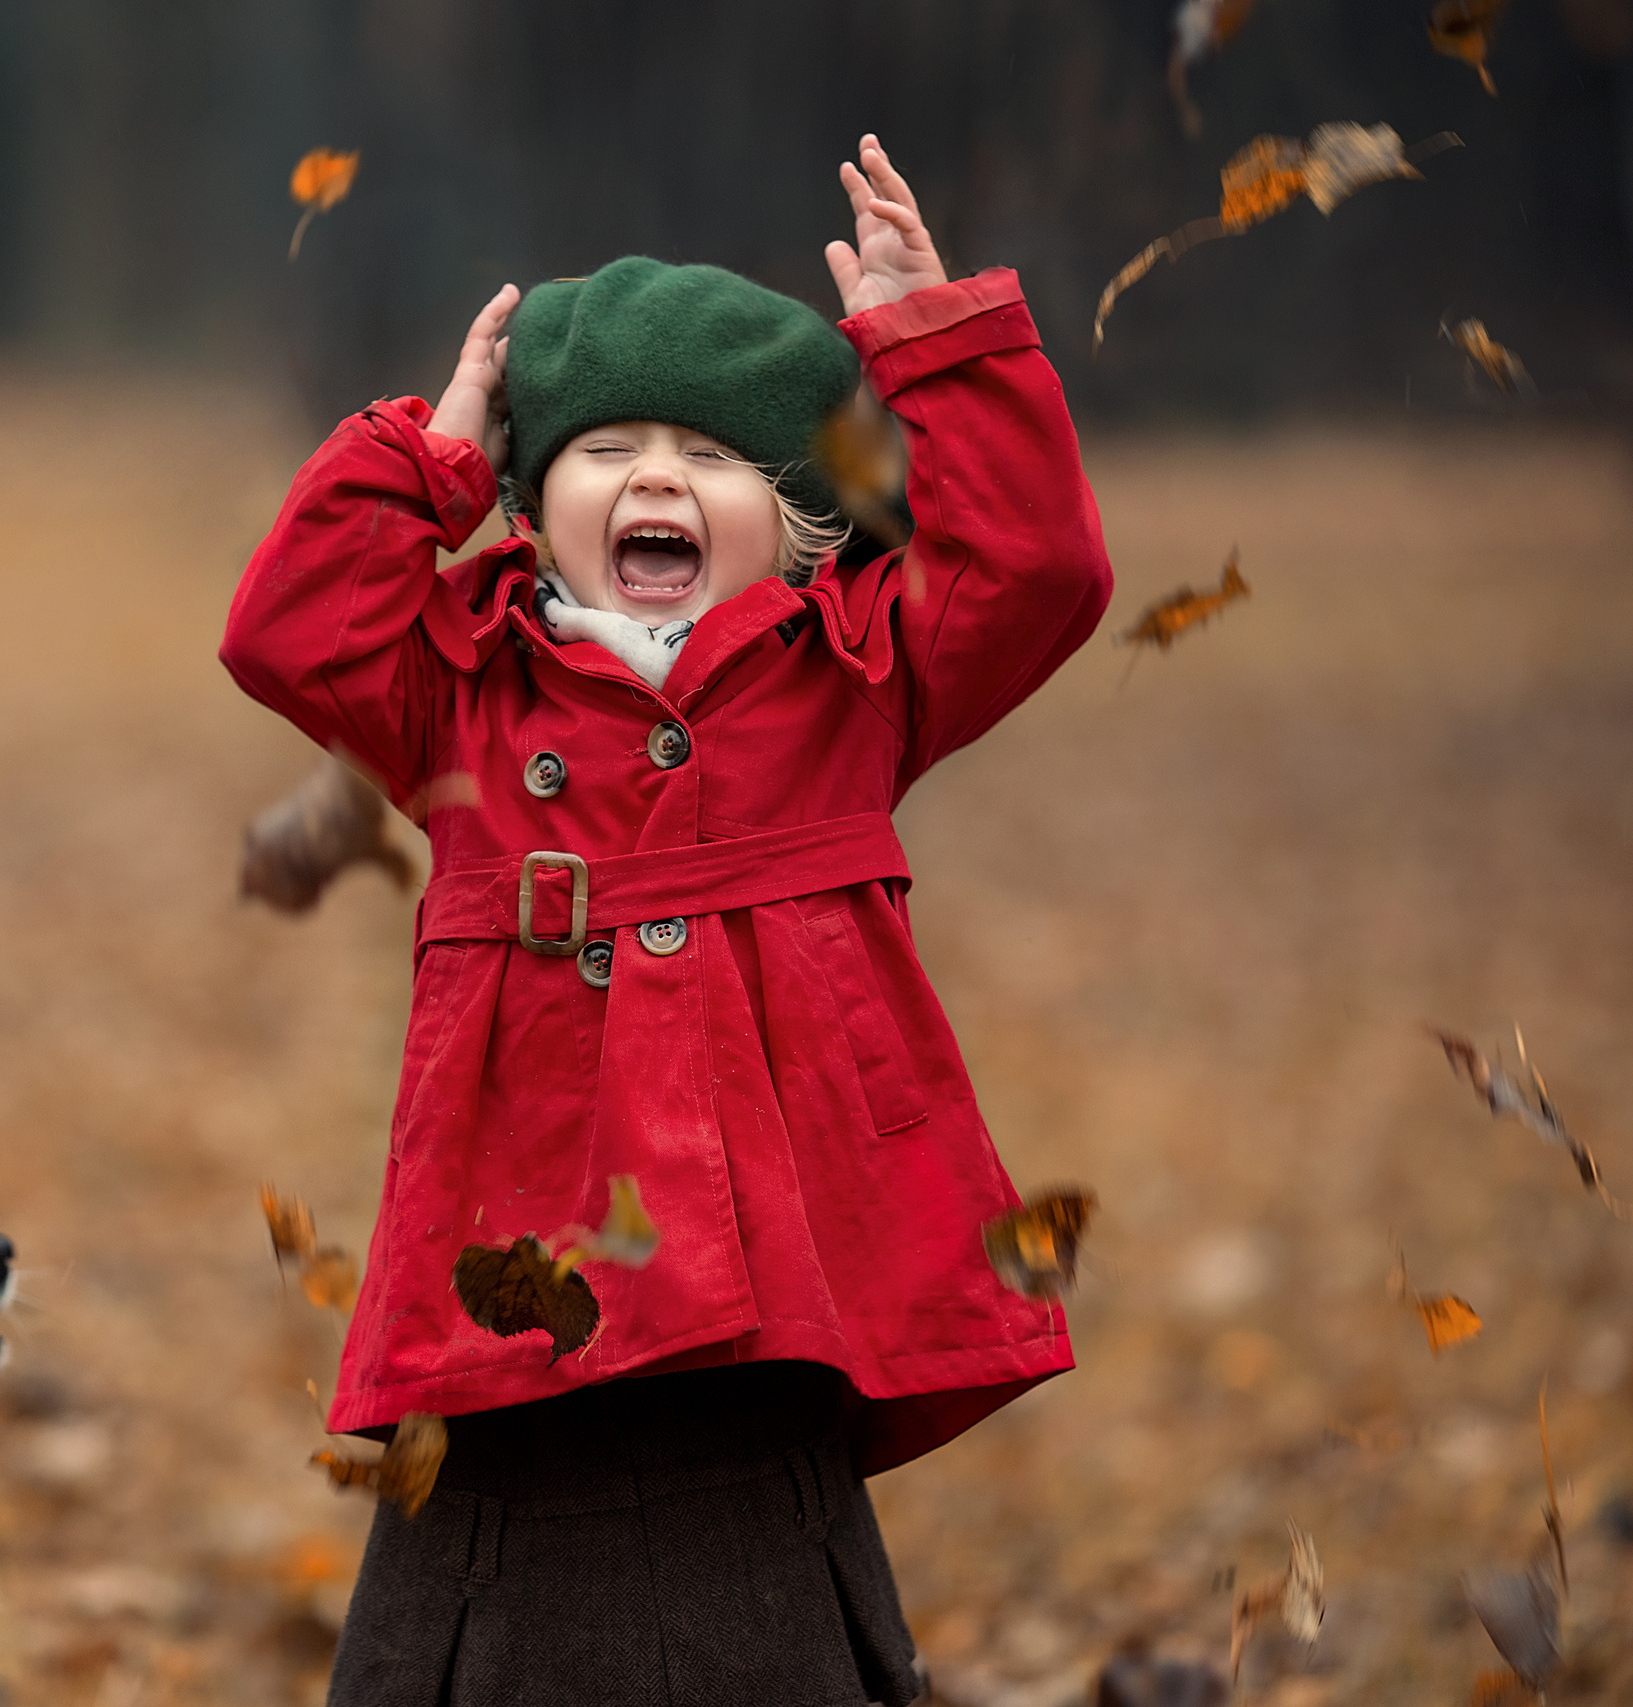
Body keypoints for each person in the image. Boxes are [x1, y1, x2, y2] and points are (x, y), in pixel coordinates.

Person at [220, 136, 1114, 1707]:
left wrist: (937, 350)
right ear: (532, 496)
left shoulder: (857, 675)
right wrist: (434, 455)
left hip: (785, 1262)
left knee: (757, 1602)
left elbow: (1037, 572)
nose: (653, 480)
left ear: (799, 521)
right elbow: (287, 626)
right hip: (522, 1250)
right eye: (604, 448)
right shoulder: (461, 691)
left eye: (711, 460)